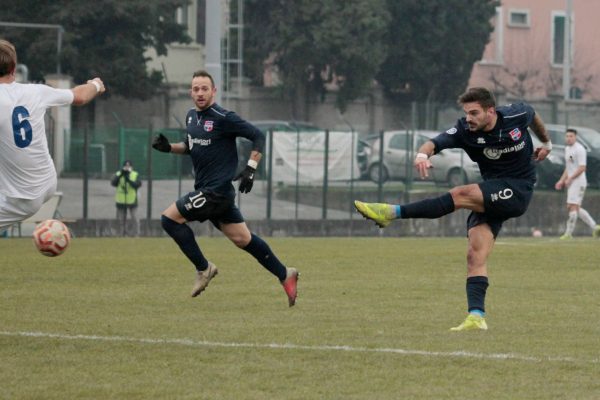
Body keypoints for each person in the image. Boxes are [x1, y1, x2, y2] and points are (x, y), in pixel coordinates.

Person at [354, 87, 552, 331]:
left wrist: (547, 142)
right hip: (491, 192)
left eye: (474, 113)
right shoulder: (464, 130)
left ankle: (391, 213)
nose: (469, 118)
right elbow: (433, 143)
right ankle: (476, 317)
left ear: (491, 111)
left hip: (519, 189)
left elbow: (533, 116)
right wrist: (420, 155)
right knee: (475, 254)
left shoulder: (514, 115)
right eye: (466, 113)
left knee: (460, 194)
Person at [151, 70, 298, 306]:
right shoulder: (191, 117)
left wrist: (251, 168)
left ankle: (204, 268)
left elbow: (258, 136)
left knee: (169, 219)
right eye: (196, 89)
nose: (200, 93)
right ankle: (285, 274)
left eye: (204, 89)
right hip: (214, 193)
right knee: (243, 239)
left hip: (215, 191)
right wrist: (169, 148)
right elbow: (191, 146)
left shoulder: (223, 117)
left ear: (214, 91)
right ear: (191, 92)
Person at [0, 39, 105, 234]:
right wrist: (96, 85)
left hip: (21, 198)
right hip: (48, 182)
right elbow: (80, 96)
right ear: (14, 68)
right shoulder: (35, 91)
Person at [554, 128, 600, 239]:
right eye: (567, 136)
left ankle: (568, 233)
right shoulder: (567, 149)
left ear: (575, 137)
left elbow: (582, 168)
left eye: (571, 136)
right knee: (575, 207)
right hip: (571, 182)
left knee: (572, 206)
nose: (569, 138)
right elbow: (569, 166)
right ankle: (595, 228)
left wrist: (570, 178)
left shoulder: (580, 149)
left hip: (579, 182)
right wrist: (561, 180)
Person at [111, 160, 142, 236]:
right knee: (121, 219)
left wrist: (129, 180)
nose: (127, 168)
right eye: (126, 166)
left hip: (132, 200)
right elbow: (113, 183)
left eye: (129, 166)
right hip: (121, 200)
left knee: (134, 218)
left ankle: (136, 234)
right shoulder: (118, 174)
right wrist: (121, 175)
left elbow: (137, 184)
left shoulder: (135, 174)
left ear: (132, 167)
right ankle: (121, 234)